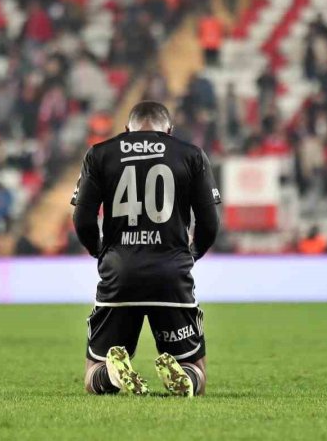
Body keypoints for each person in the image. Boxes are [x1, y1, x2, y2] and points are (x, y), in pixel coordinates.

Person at [71, 101, 221, 397]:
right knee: (196, 368)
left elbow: (83, 219)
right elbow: (210, 223)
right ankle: (186, 377)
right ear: (169, 130)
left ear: (127, 129)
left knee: (92, 372)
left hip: (120, 271)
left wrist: (100, 252)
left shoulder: (100, 154)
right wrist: (191, 256)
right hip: (171, 272)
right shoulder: (191, 155)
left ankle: (111, 377)